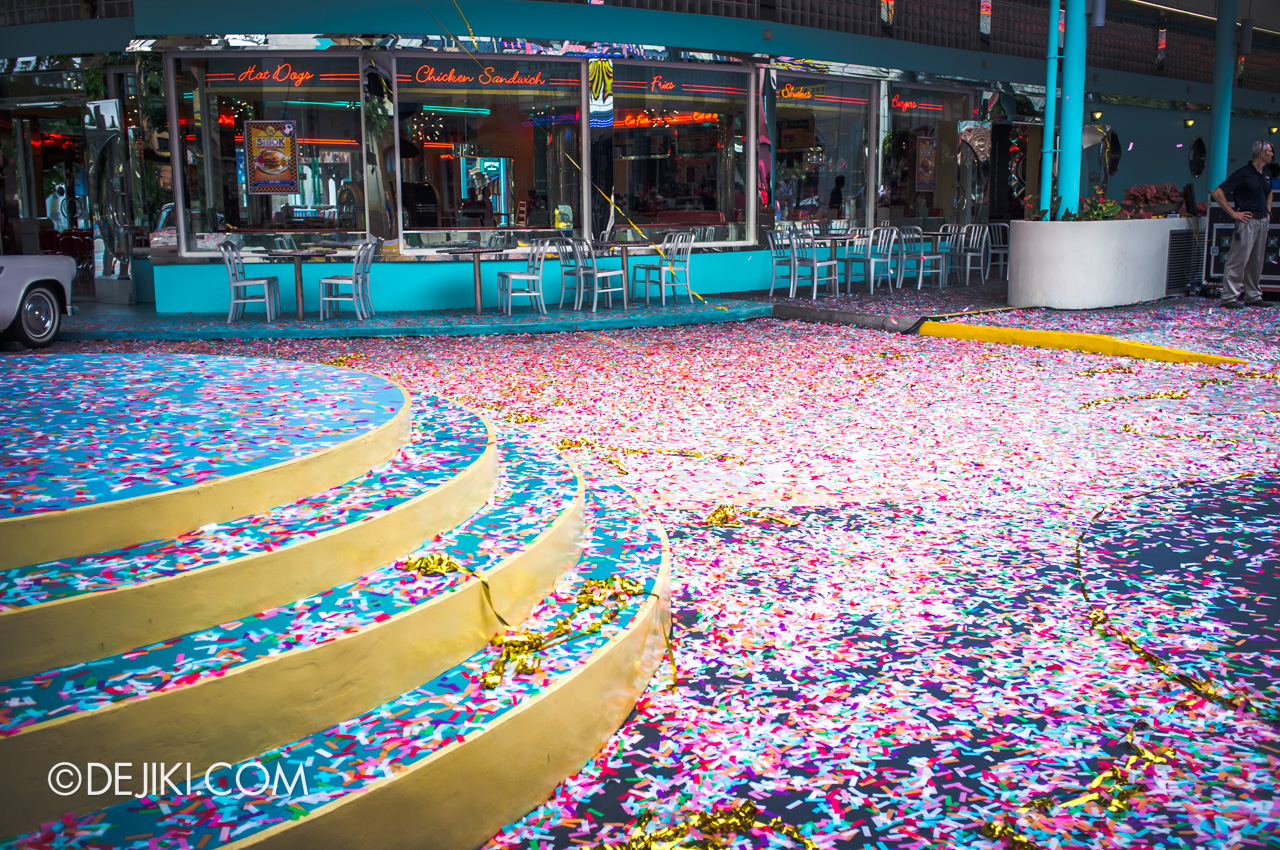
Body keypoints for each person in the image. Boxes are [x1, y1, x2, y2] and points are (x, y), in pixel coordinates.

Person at [1210, 139, 1275, 308]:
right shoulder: (1244, 173)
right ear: (1262, 154)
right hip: (1247, 221)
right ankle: (1229, 297)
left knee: (1257, 260)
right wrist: (1233, 213)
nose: (1272, 154)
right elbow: (1218, 192)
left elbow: (1269, 194)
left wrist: (1268, 211)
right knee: (1238, 259)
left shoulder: (1267, 174)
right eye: (1270, 152)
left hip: (1261, 221)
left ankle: (1252, 295)